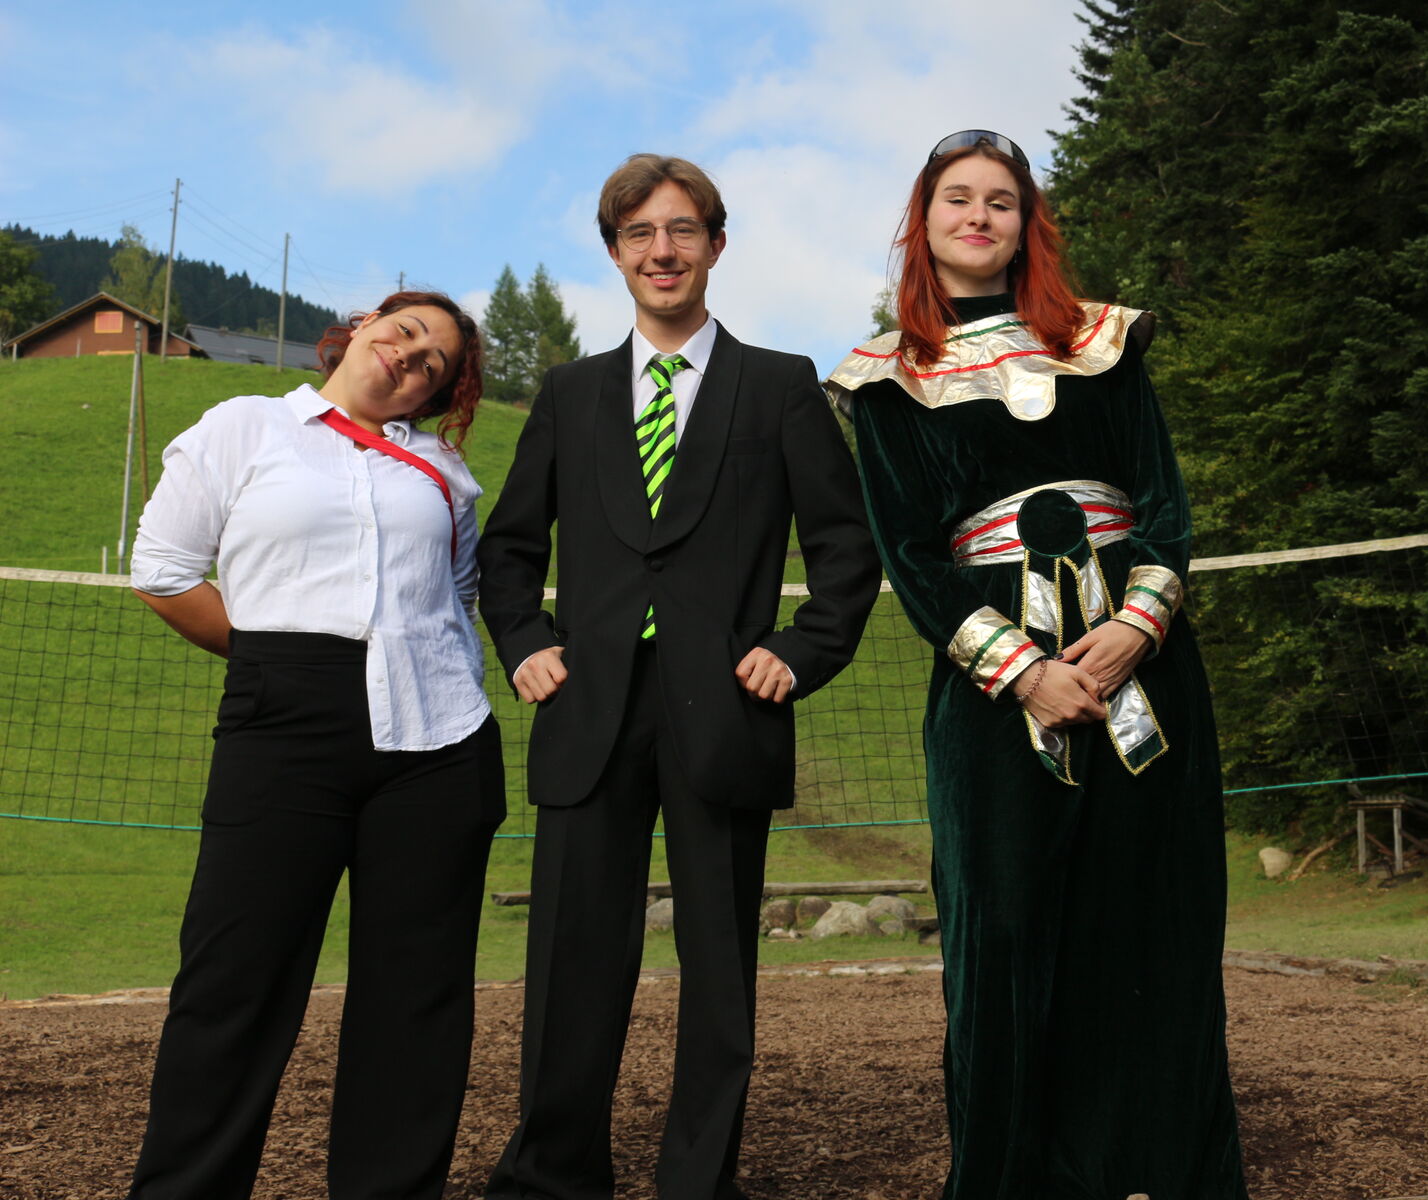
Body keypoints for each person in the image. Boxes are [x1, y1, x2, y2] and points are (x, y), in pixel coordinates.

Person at [824, 131, 1251, 1199]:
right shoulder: (889, 378)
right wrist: (1023, 670)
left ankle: (1159, 1168)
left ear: (1027, 225)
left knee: (1150, 914)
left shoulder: (1102, 343)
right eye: (957, 198)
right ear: (923, 222)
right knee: (1005, 925)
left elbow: (1163, 505)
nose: (979, 216)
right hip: (992, 692)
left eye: (1001, 201)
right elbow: (911, 555)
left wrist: (1136, 628)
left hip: (1145, 668)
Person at [478, 154, 881, 1200]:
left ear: (716, 243)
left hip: (729, 711)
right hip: (588, 711)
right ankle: (553, 1179)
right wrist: (523, 642)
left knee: (719, 974)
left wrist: (798, 651)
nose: (663, 251)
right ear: (616, 253)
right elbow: (508, 550)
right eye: (640, 234)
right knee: (570, 965)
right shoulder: (569, 394)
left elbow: (847, 551)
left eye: (682, 230)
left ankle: (699, 1184)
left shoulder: (781, 385)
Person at [127, 291, 504, 1199]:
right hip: (283, 721)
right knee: (233, 982)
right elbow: (163, 571)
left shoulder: (444, 473)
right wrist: (271, 662)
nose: (411, 357)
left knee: (415, 998)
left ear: (434, 394)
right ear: (363, 325)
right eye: (405, 332)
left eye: (434, 364)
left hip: (437, 740)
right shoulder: (247, 427)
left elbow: (458, 598)